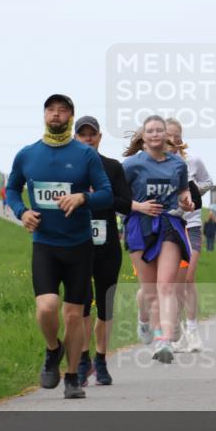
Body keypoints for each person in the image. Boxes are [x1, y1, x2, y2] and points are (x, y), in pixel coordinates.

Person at [5, 94, 113, 399]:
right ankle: (53, 349)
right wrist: (22, 211)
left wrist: (83, 198)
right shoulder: (27, 154)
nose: (56, 114)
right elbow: (12, 189)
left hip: (79, 245)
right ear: (43, 115)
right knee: (47, 307)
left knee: (74, 316)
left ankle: (71, 378)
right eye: (51, 110)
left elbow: (106, 193)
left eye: (62, 110)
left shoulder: (85, 155)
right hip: (45, 244)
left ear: (70, 116)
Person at [122, 115, 194, 364]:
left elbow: (183, 191)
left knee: (166, 286)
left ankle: (163, 340)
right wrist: (139, 206)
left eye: (159, 131)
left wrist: (186, 200)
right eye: (150, 130)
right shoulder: (131, 165)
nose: (154, 134)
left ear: (166, 135)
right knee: (150, 290)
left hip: (169, 225)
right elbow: (116, 199)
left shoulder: (177, 164)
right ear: (143, 135)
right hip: (139, 226)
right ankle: (144, 320)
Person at [73, 115, 132, 386]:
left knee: (104, 306)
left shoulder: (112, 167)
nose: (88, 138)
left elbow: (125, 203)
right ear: (75, 138)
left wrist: (101, 195)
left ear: (99, 137)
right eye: (82, 134)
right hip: (77, 243)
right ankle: (83, 359)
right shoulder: (69, 167)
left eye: (92, 134)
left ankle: (101, 358)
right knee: (82, 304)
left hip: (107, 244)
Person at [165, 118, 212, 353]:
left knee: (188, 279)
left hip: (191, 226)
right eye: (168, 136)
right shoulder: (157, 164)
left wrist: (193, 192)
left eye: (176, 136)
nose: (173, 140)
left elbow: (208, 182)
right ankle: (179, 331)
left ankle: (193, 330)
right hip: (169, 226)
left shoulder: (193, 160)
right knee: (174, 284)